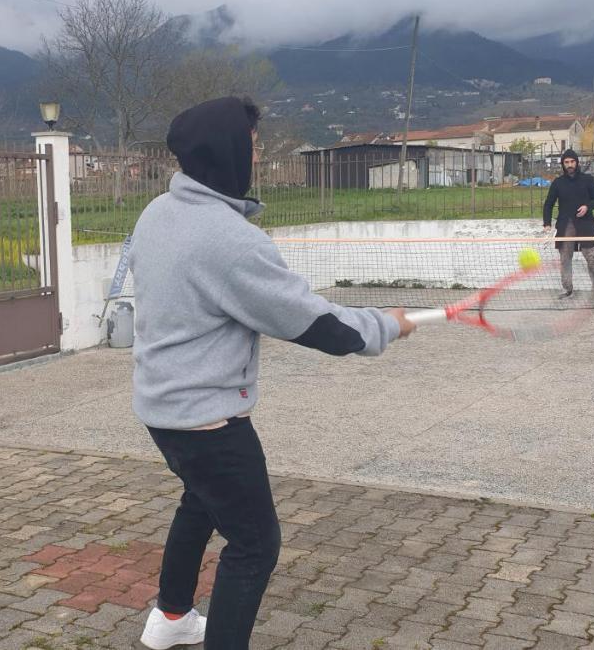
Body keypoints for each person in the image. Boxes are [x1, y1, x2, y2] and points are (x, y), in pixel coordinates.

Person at [129, 96, 415, 649]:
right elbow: (315, 324)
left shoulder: (157, 212)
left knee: (200, 500)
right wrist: (387, 325)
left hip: (161, 409)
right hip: (209, 420)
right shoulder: (230, 240)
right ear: (229, 152)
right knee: (255, 543)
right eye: (253, 145)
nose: (257, 155)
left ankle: (171, 618)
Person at [542, 147, 594, 301]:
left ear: (577, 163)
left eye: (572, 161)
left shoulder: (588, 180)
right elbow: (548, 204)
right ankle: (567, 289)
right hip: (565, 225)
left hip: (586, 224)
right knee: (565, 258)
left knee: (592, 257)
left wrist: (587, 207)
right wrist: (547, 223)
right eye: (566, 162)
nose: (569, 164)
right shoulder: (558, 183)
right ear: (563, 165)